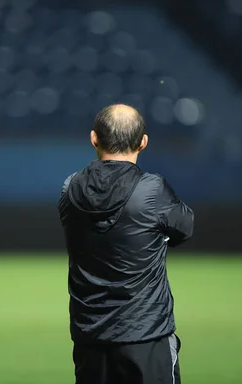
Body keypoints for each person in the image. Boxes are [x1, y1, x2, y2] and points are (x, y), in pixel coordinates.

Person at [58, 104, 194, 384]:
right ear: (143, 142)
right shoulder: (152, 190)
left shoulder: (70, 188)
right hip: (147, 337)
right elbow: (185, 228)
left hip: (90, 340)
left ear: (94, 138)